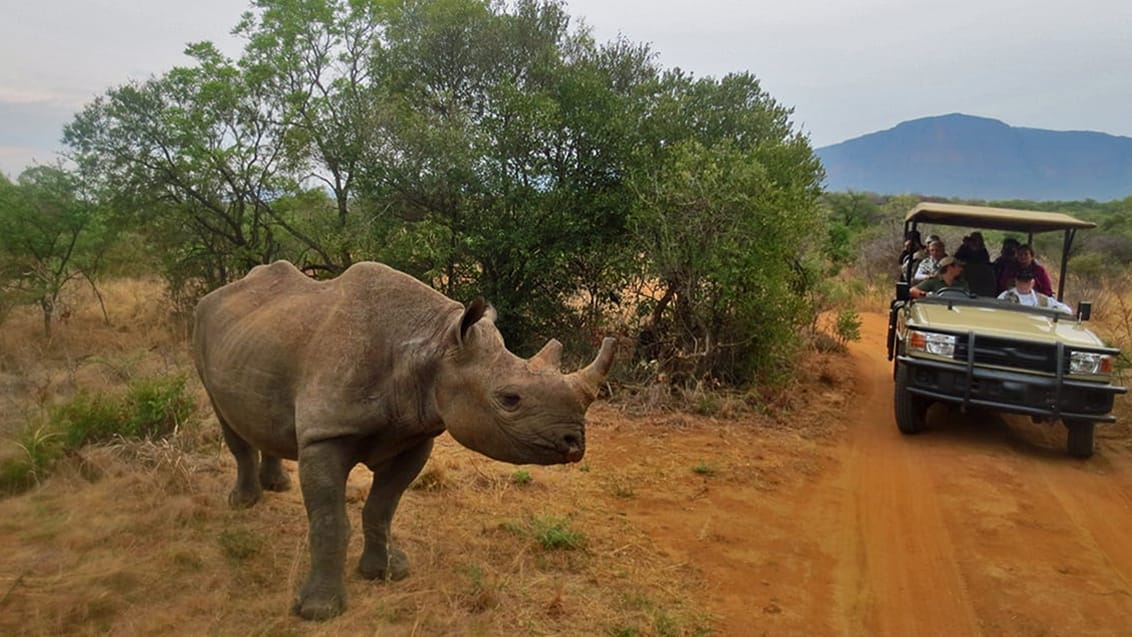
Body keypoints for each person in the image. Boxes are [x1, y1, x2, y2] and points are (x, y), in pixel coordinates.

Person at [997, 269, 1072, 314]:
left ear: (1032, 283)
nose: (1024, 285)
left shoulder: (1042, 300)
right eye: (1021, 281)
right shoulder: (1004, 296)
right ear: (1016, 281)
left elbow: (1066, 310)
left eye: (1027, 282)